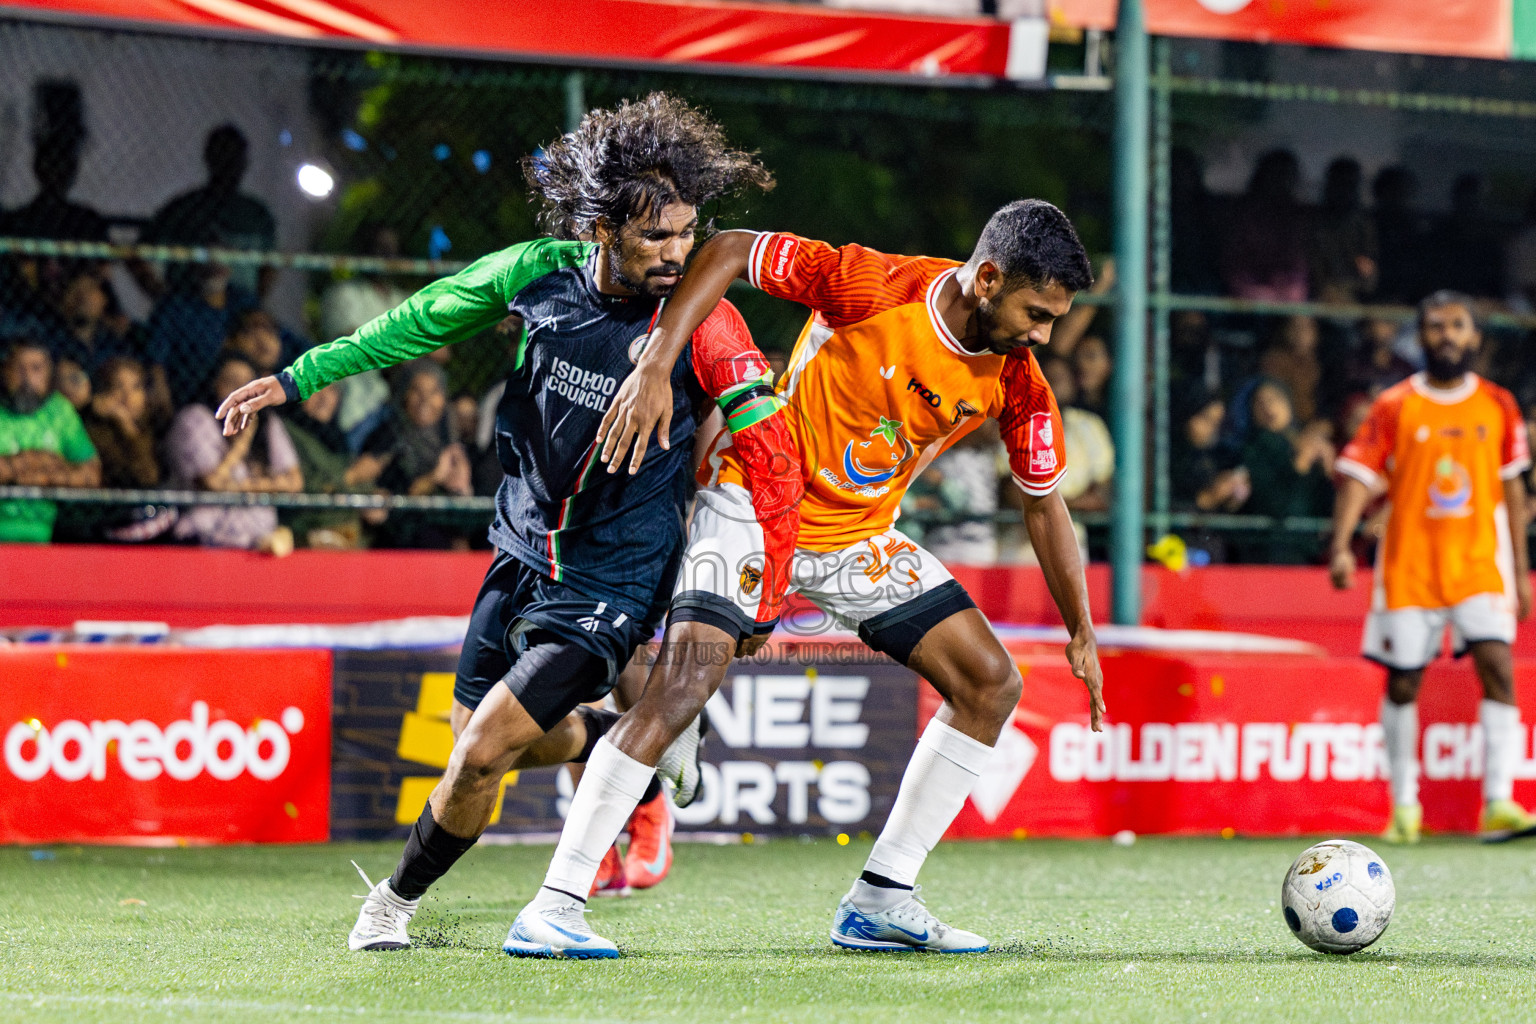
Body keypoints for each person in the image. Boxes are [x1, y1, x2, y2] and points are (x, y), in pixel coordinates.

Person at [212, 93, 798, 952]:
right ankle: (623, 743)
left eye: (688, 232)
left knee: (479, 754)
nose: (680, 253)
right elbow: (420, 321)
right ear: (602, 226)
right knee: (477, 753)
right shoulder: (538, 274)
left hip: (614, 576)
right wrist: (300, 377)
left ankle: (395, 902)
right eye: (656, 236)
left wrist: (767, 594)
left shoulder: (705, 323)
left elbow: (775, 454)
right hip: (518, 551)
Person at [510, 198, 1105, 958]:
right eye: (1036, 312)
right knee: (682, 685)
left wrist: (1081, 631)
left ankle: (881, 897)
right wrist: (659, 356)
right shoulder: (872, 286)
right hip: (755, 500)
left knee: (991, 683)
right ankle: (553, 905)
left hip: (857, 537)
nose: (1044, 335)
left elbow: (1044, 504)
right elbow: (727, 248)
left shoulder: (1016, 381)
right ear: (988, 277)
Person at [1330, 291, 1534, 843]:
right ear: (1420, 338)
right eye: (1437, 327)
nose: (1447, 336)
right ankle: (1404, 808)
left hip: (1478, 566)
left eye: (1458, 326)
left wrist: (1520, 567)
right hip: (1410, 568)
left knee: (1498, 670)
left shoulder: (1498, 403)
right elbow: (1359, 476)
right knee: (1403, 683)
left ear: (1475, 337)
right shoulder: (1395, 404)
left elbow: (1512, 485)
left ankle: (1498, 801)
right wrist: (1342, 544)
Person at [163, 354, 301, 552]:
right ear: (215, 385)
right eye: (231, 383)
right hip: (204, 541)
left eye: (247, 385)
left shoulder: (266, 422)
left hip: (258, 543)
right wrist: (240, 447)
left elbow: (294, 482)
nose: (240, 392)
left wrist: (241, 486)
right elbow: (212, 483)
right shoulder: (195, 419)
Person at [143, 124, 277, 299]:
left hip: (237, 311)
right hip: (189, 308)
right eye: (223, 155)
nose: (229, 164)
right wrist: (161, 296)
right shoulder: (185, 209)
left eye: (235, 157)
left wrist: (254, 304)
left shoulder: (256, 215)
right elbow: (138, 254)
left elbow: (270, 265)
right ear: (209, 158)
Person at [0, 338, 101, 542]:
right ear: (4, 371)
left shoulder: (60, 410)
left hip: (46, 537)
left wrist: (45, 478)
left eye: (36, 369)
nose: (27, 377)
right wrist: (38, 460)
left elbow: (91, 473)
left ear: (49, 374)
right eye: (18, 368)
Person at [1239, 379, 1334, 564]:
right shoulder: (1253, 450)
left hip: (1309, 550)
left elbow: (1325, 502)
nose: (1268, 407)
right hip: (1270, 550)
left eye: (1274, 399)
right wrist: (1300, 465)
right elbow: (1274, 505)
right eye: (1260, 403)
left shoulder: (1301, 442)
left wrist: (1329, 472)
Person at [82, 357, 159, 488]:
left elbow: (149, 477)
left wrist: (128, 428)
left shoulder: (153, 427)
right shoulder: (95, 431)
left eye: (136, 387)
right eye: (119, 386)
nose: (128, 396)